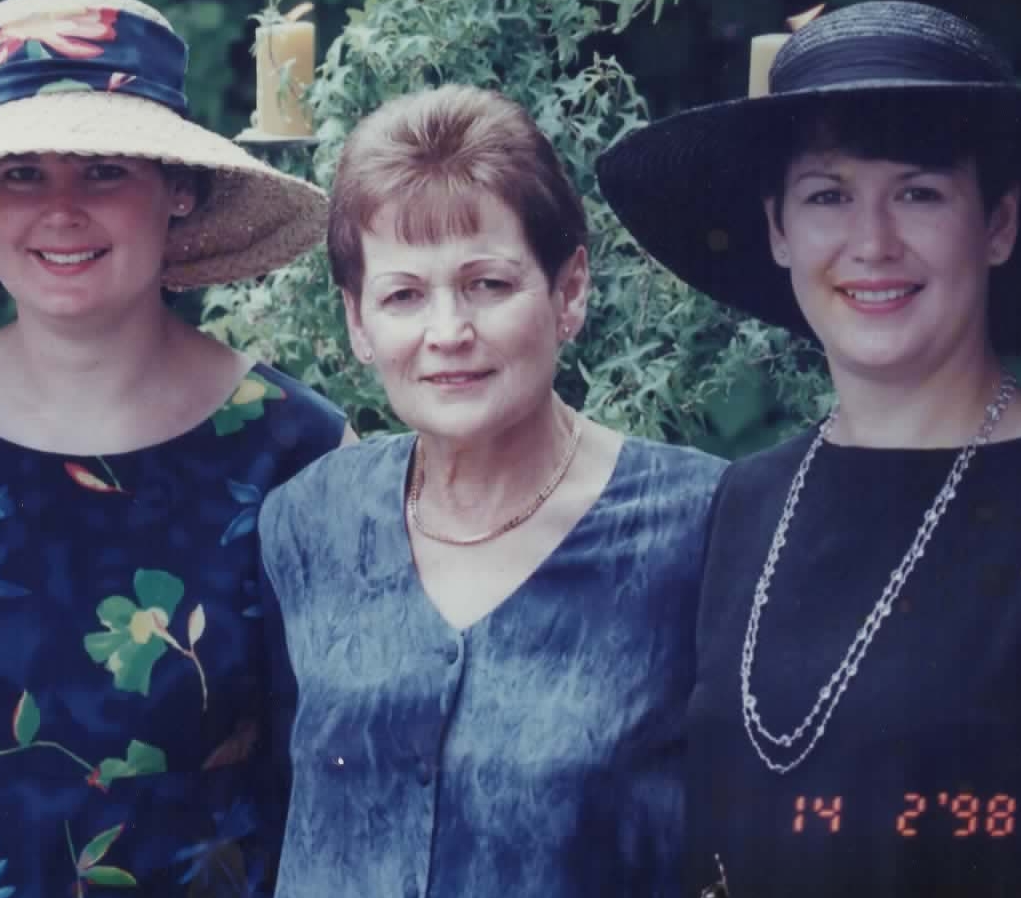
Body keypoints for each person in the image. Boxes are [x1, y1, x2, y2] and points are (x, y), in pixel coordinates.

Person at [596, 0, 1021, 897]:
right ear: (779, 230)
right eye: (827, 195)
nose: (871, 243)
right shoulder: (743, 501)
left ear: (998, 224)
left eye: (919, 192)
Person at [0, 0, 347, 897]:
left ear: (179, 189)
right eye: (21, 172)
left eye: (103, 169)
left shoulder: (295, 449)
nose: (60, 209)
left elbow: (338, 759)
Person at [258, 85, 727, 897]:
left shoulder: (700, 525)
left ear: (568, 288)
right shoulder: (308, 522)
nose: (447, 333)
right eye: (404, 294)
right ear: (358, 322)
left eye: (487, 283)